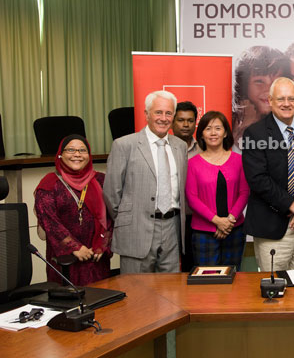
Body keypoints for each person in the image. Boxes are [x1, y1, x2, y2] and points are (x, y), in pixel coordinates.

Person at [242, 77, 294, 271]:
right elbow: (258, 179)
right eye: (281, 99)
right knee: (275, 286)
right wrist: (292, 205)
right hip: (271, 225)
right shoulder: (255, 133)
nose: (286, 104)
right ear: (270, 100)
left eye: (291, 99)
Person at [103, 90, 188, 273]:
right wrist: (129, 219)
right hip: (136, 229)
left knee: (171, 294)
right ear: (146, 114)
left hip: (172, 228)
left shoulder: (180, 146)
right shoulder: (124, 145)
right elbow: (111, 192)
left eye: (168, 113)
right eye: (158, 112)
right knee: (136, 293)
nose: (163, 118)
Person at [34, 135, 112, 285]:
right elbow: (49, 221)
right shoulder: (50, 183)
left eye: (82, 150)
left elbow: (110, 217)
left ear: (89, 156)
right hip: (65, 260)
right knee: (69, 302)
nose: (77, 154)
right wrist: (74, 247)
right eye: (70, 150)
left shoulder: (101, 180)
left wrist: (102, 244)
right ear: (60, 154)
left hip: (96, 257)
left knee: (102, 299)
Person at [185, 111, 249, 268]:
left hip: (234, 229)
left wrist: (228, 221)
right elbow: (191, 197)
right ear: (201, 134)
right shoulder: (192, 163)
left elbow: (244, 193)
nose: (213, 133)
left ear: (225, 132)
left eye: (218, 128)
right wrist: (217, 221)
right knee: (207, 282)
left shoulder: (239, 160)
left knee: (234, 278)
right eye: (208, 128)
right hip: (204, 232)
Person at [232, 46, 289, 147]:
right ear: (244, 85)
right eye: (259, 81)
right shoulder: (231, 118)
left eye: (276, 82)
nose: (269, 90)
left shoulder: (292, 120)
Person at [172, 100, 199, 271]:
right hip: (170, 217)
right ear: (173, 122)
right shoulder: (163, 148)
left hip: (195, 218)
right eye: (181, 120)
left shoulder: (203, 149)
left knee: (192, 265)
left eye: (190, 120)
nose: (186, 125)